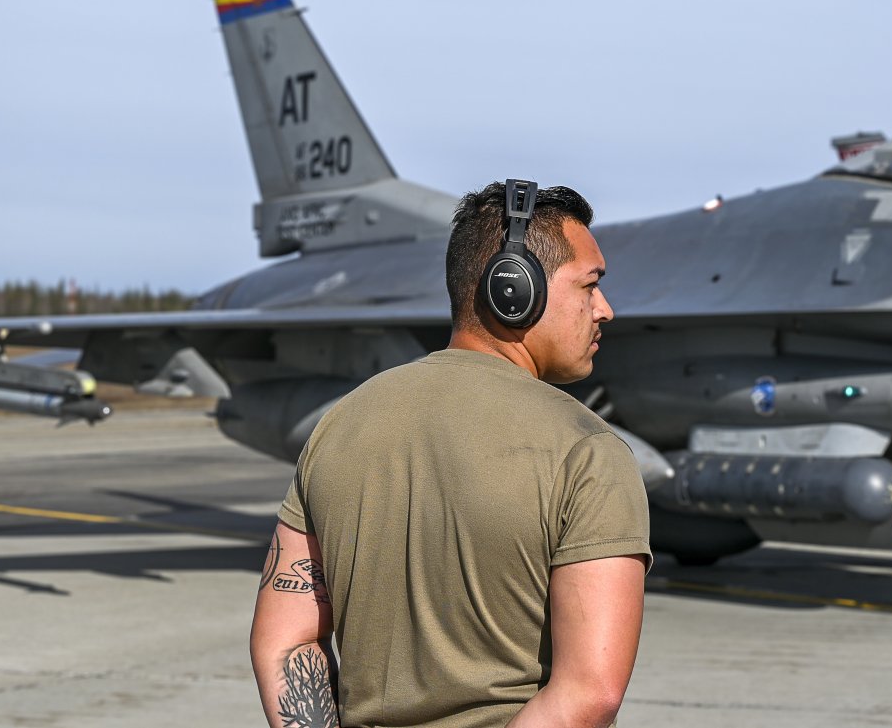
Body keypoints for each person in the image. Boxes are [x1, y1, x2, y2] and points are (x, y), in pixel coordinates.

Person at [250, 180, 651, 728]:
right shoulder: (587, 451)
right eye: (589, 285)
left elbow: (286, 641)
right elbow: (590, 692)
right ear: (515, 289)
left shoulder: (340, 425)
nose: (604, 309)